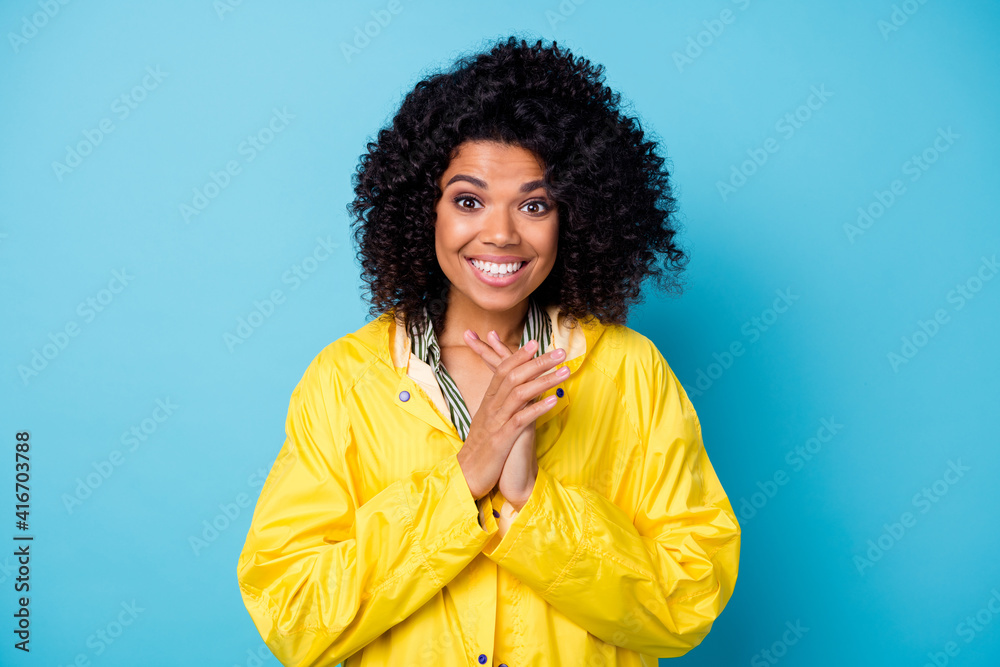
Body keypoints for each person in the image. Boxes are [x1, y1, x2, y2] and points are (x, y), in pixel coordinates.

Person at [236, 35, 740, 666]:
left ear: (575, 217)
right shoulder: (345, 379)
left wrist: (535, 502)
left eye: (534, 204)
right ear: (427, 210)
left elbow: (685, 606)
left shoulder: (628, 372)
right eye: (468, 200)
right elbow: (295, 617)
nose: (500, 234)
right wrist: (462, 480)